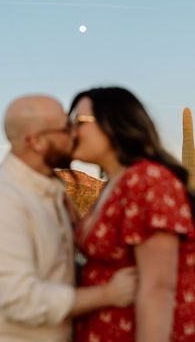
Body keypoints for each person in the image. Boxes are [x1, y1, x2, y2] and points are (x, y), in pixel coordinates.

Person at [0, 95, 137, 342]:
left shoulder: (49, 192)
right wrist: (108, 294)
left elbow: (56, 271)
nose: (74, 134)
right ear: (37, 142)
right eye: (66, 128)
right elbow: (22, 301)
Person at [69, 87, 195, 342]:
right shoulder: (116, 185)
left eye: (79, 122)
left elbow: (158, 288)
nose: (71, 131)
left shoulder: (148, 179)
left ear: (112, 123)